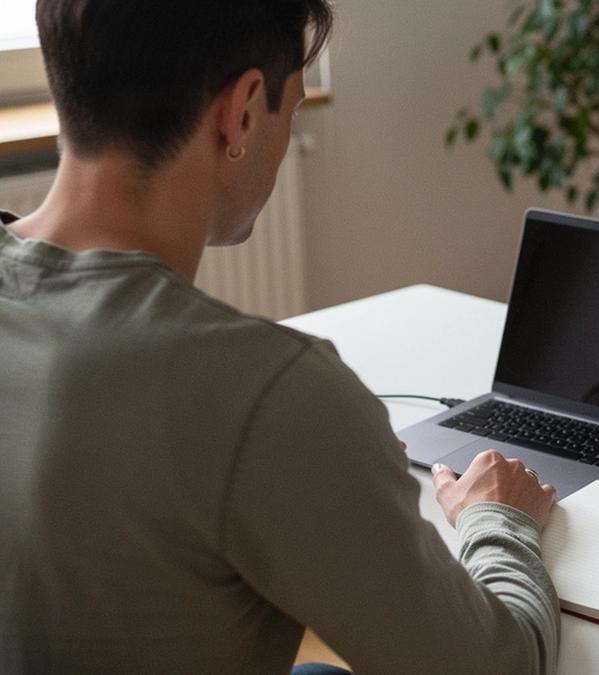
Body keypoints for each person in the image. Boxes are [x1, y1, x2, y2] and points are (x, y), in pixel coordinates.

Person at [0, 2, 559, 673]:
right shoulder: (269, 394)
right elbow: (495, 666)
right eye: (288, 111)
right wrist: (499, 522)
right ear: (240, 112)